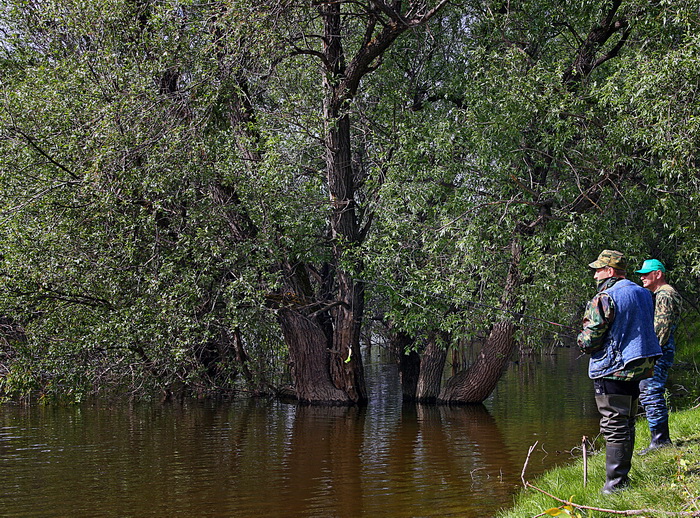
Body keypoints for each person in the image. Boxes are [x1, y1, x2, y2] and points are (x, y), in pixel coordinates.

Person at [577, 250, 661, 494]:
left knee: (614, 424)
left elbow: (590, 340)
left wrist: (581, 340)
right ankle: (623, 479)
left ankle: (615, 486)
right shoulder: (644, 294)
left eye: (598, 270)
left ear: (610, 271)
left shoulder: (604, 297)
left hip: (612, 369)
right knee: (627, 422)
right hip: (638, 368)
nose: (595, 275)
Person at [635, 259, 683, 454]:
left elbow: (661, 330)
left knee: (651, 392)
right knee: (649, 391)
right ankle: (659, 439)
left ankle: (660, 441)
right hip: (661, 350)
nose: (642, 277)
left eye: (646, 273)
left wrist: (651, 353)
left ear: (658, 274)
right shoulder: (662, 294)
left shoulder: (665, 295)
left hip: (659, 351)